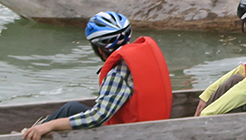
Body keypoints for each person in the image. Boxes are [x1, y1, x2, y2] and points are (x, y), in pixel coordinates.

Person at [23, 12, 172, 140]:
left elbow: (97, 117)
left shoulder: (117, 73)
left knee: (70, 109)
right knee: (72, 109)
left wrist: (51, 125)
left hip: (130, 135)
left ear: (100, 50)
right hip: (152, 130)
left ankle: (30, 133)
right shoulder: (144, 57)